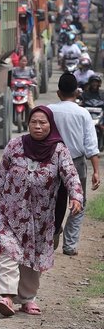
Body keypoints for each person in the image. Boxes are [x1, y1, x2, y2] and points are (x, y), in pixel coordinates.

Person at [0, 106, 83, 317]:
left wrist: (76, 196)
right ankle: (7, 297)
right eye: (34, 121)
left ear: (50, 125)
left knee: (32, 259)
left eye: (42, 122)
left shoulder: (58, 151)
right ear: (28, 123)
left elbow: (71, 175)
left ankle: (27, 299)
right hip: (10, 213)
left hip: (41, 217)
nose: (37, 126)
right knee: (9, 251)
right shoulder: (15, 145)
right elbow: (0, 176)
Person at [48, 73, 100, 256]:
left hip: (50, 163)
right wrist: (96, 171)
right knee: (78, 202)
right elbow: (91, 145)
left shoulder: (48, 110)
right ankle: (69, 245)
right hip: (76, 163)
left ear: (58, 92)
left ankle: (50, 234)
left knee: (49, 201)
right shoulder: (83, 113)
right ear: (77, 93)